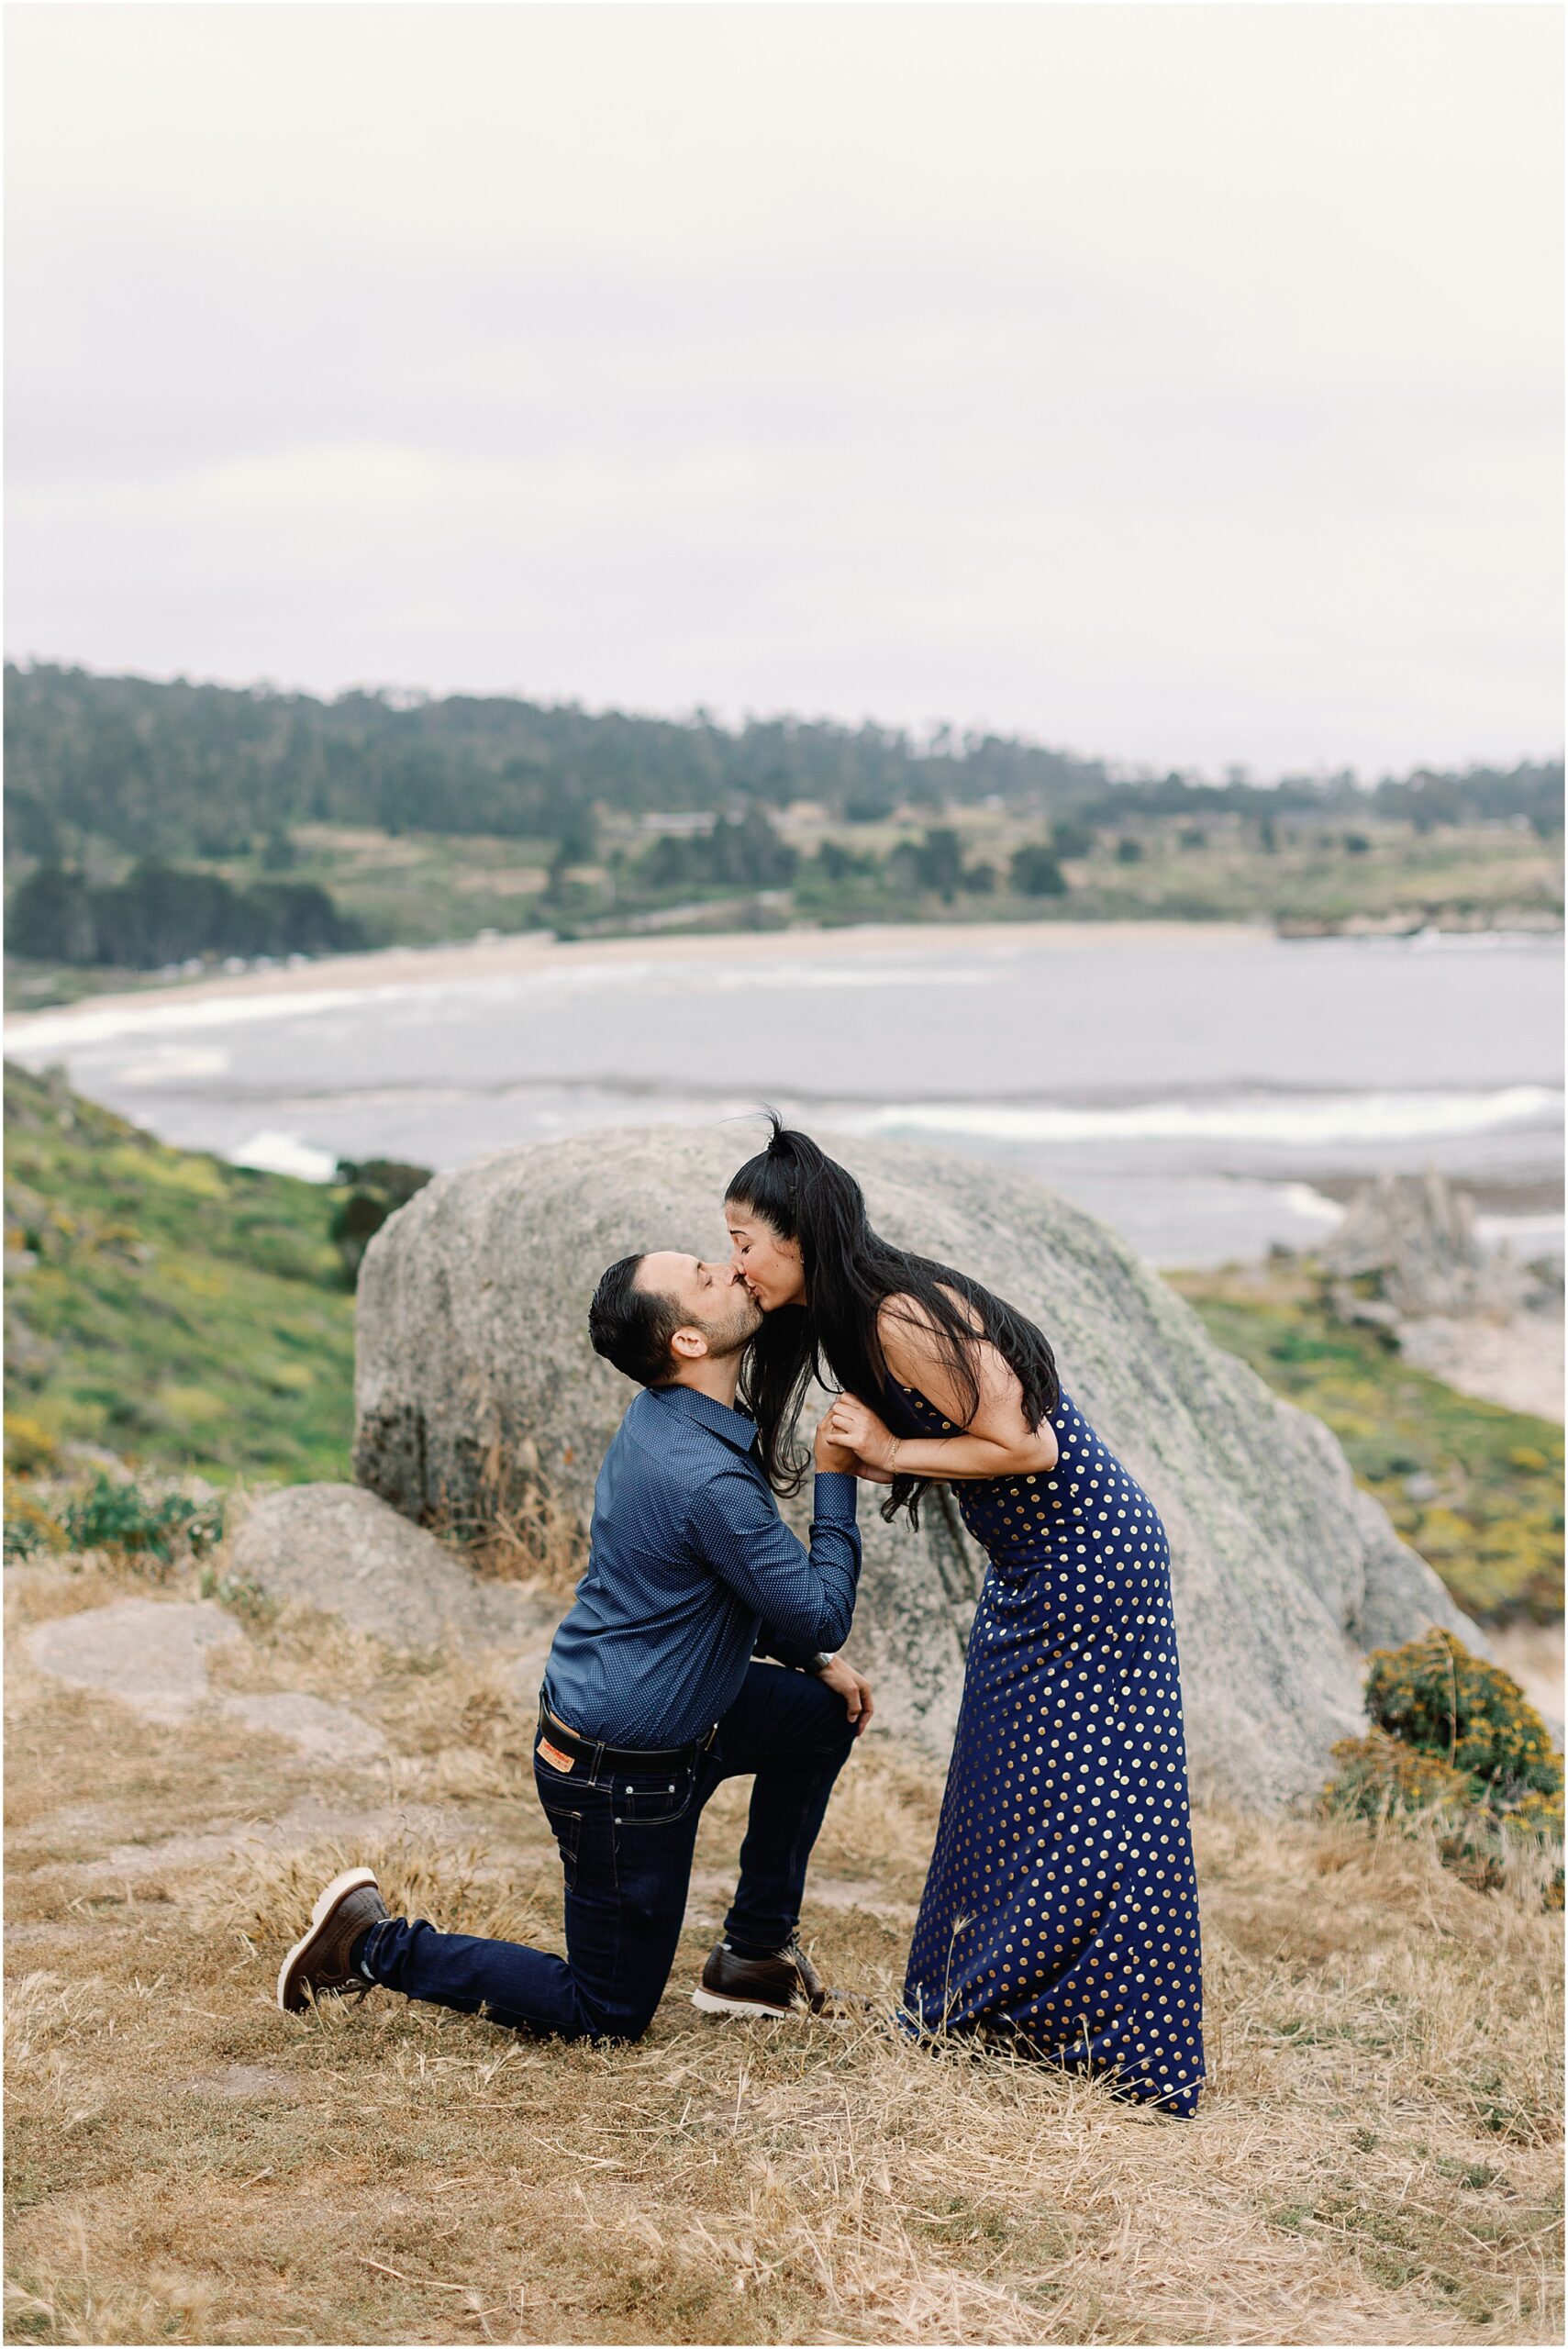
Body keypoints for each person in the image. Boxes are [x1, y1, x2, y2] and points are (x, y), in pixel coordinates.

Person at [724, 1117, 1204, 2117]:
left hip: (1086, 1561)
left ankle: (1091, 2030)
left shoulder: (898, 1312)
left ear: (801, 1238)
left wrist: (890, 1454)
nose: (735, 1264)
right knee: (1014, 1785)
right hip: (1038, 1563)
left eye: (743, 1242)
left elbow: (1026, 1447)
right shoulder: (857, 1320)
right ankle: (1000, 2013)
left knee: (1091, 1791)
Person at [277, 1248, 874, 2040]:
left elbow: (714, 1584)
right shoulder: (702, 1474)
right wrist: (836, 1473)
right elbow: (822, 1611)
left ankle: (753, 1958)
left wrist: (814, 1664)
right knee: (607, 2013)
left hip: (682, 1713)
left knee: (819, 1717)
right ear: (687, 1341)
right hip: (617, 1774)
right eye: (705, 1277)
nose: (732, 1268)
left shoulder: (666, 1418)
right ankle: (366, 1945)